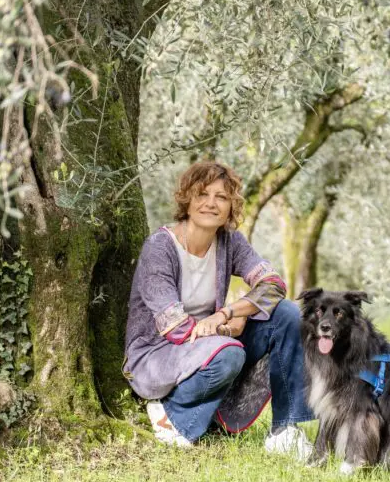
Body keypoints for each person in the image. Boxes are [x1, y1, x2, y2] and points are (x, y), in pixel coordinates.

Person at [123, 161, 313, 458]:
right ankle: (170, 412)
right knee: (229, 352)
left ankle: (285, 429)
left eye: (221, 197)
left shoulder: (230, 242)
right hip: (157, 352)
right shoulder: (159, 248)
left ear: (230, 206)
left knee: (287, 315)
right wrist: (229, 328)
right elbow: (175, 327)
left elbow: (273, 285)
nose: (211, 203)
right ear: (187, 199)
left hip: (209, 344)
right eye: (202, 194)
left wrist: (227, 312)